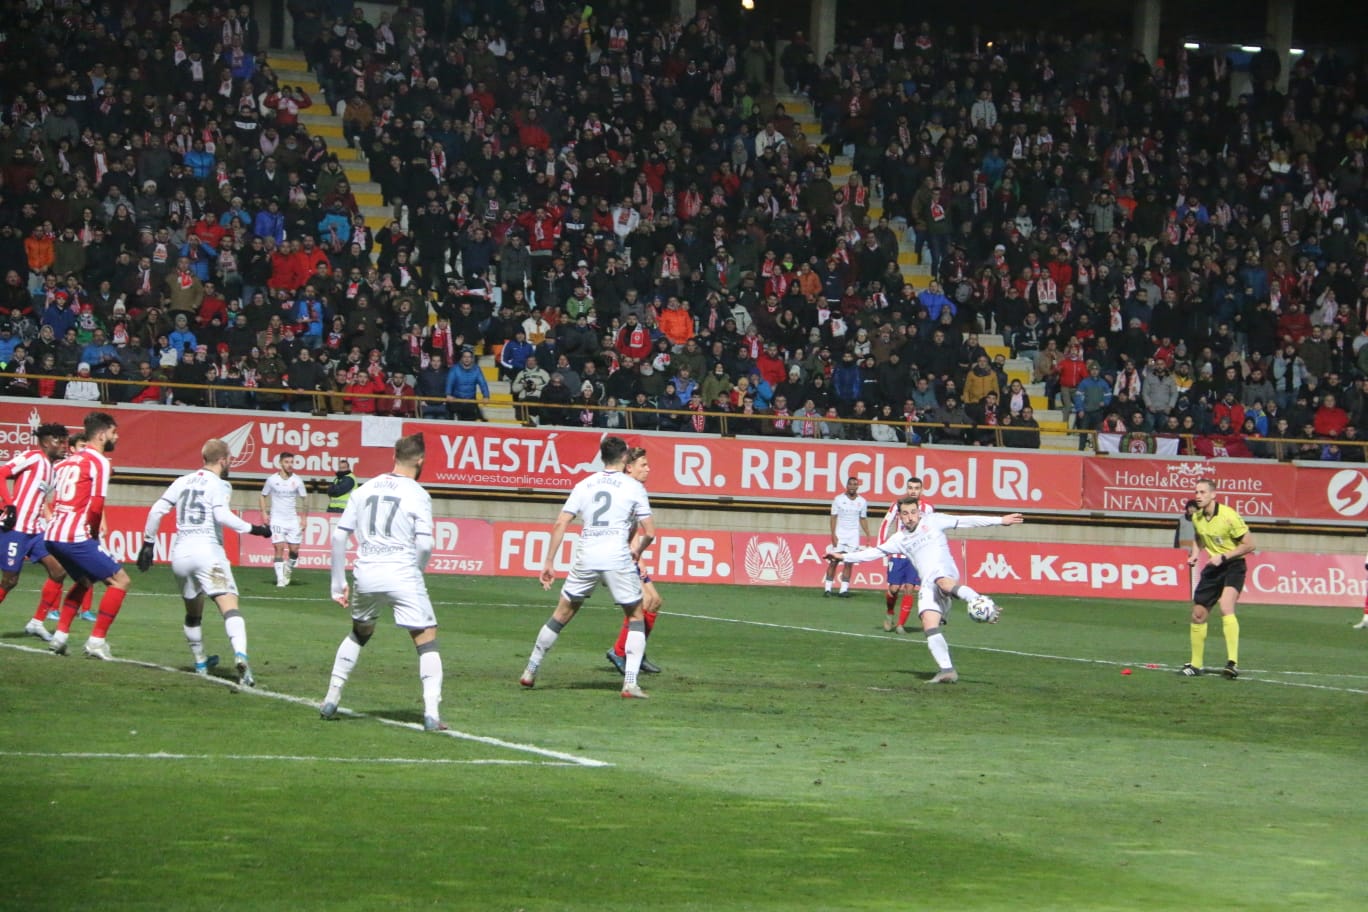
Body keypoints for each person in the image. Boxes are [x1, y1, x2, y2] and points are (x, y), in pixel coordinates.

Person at [320, 434, 447, 731]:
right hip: (402, 571)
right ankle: (431, 714)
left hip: (366, 572)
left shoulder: (365, 488)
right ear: (420, 460)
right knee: (425, 637)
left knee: (359, 633)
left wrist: (337, 584)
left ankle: (330, 698)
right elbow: (425, 545)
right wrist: (416, 571)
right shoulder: (417, 493)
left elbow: (339, 536)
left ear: (394, 456)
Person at [828, 500, 1026, 683]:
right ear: (900, 517)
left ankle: (980, 602)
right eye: (905, 514)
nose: (910, 517)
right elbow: (871, 553)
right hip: (927, 584)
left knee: (943, 582)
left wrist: (1001, 520)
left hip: (944, 572)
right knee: (929, 625)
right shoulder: (898, 539)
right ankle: (947, 670)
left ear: (919, 512)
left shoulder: (933, 520)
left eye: (913, 512)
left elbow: (967, 521)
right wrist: (842, 556)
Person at [519, 436, 657, 699]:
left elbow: (561, 523)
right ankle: (630, 683)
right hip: (617, 555)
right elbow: (649, 531)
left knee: (561, 614)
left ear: (602, 457)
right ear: (625, 458)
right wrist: (637, 551)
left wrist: (549, 561)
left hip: (587, 555)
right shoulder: (633, 487)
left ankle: (530, 670)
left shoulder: (584, 484)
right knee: (636, 615)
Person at [138, 439, 273, 684]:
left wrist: (148, 544)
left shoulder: (182, 481)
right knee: (229, 606)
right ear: (223, 460)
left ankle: (200, 662)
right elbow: (221, 515)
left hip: (180, 555)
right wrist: (256, 529)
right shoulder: (220, 484)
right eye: (230, 458)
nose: (230, 462)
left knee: (193, 613)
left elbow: (157, 510)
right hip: (207, 552)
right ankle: (241, 657)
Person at [43, 412, 134, 659]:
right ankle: (96, 641)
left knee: (84, 581)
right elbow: (95, 507)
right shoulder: (100, 462)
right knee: (120, 581)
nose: (116, 437)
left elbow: (54, 497)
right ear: (103, 434)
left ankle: (59, 637)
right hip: (75, 535)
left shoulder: (65, 462)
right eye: (114, 432)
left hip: (52, 534)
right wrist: (92, 536)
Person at [0, 422, 70, 641]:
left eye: (64, 441)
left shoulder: (53, 471)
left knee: (59, 571)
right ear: (46, 441)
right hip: (15, 529)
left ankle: (37, 622)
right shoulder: (32, 457)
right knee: (10, 581)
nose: (63, 445)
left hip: (35, 531)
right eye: (58, 441)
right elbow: (2, 472)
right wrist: (8, 504)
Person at [1183, 478, 1255, 678]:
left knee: (1226, 606)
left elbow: (1249, 544)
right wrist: (1196, 554)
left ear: (1213, 495)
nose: (1198, 496)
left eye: (1203, 492)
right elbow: (1199, 536)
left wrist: (1223, 556)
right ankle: (1196, 665)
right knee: (1198, 614)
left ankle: (1232, 663)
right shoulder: (1197, 517)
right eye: (1196, 492)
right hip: (1213, 567)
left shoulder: (1228, 516)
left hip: (1233, 565)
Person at [604, 447, 662, 677]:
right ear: (629, 467)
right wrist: (633, 553)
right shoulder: (625, 489)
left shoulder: (633, 488)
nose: (648, 469)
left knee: (654, 601)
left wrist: (638, 554)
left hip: (629, 553)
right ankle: (621, 652)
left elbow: (632, 525)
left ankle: (635, 651)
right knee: (643, 602)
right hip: (616, 555)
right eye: (643, 465)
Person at [877, 477, 933, 633]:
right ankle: (889, 613)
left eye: (916, 488)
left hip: (915, 555)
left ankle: (901, 624)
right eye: (910, 488)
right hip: (898, 553)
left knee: (910, 588)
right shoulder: (897, 505)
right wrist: (882, 548)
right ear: (906, 489)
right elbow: (885, 524)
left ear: (921, 490)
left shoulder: (928, 508)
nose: (913, 491)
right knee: (894, 589)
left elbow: (931, 530)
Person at [259, 452, 308, 587]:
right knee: (278, 547)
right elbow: (263, 495)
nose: (290, 465)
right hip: (277, 519)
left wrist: (304, 519)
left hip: (292, 520)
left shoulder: (297, 480)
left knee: (294, 550)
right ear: (280, 463)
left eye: (292, 462)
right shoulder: (272, 480)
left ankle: (288, 569)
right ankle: (280, 579)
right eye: (287, 462)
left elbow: (305, 499)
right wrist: (264, 513)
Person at [824, 476, 869, 598]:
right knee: (834, 561)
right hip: (840, 533)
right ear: (847, 486)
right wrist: (833, 534)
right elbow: (833, 517)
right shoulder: (838, 499)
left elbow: (863, 519)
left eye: (855, 484)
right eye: (851, 484)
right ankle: (827, 589)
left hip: (853, 535)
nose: (853, 486)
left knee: (849, 562)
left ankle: (843, 590)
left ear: (857, 486)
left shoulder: (862, 501)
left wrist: (868, 534)